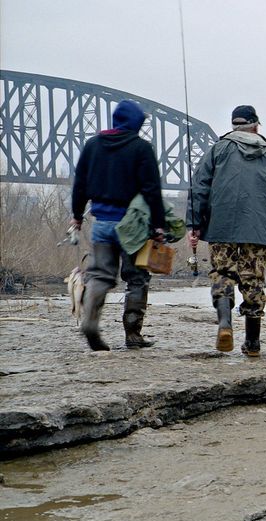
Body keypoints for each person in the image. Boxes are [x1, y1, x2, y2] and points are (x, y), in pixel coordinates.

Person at [188, 105, 266, 357]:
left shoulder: (216, 151)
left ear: (233, 125)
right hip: (258, 231)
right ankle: (253, 343)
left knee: (222, 273)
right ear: (256, 126)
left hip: (221, 227)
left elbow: (199, 189)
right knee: (252, 281)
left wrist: (193, 224)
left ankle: (225, 323)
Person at [69, 99, 166, 351]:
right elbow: (152, 190)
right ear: (135, 122)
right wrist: (158, 226)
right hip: (132, 227)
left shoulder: (93, 145)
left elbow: (80, 184)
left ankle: (90, 322)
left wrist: (77, 216)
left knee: (100, 275)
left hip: (101, 223)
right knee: (136, 278)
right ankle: (133, 334)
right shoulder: (141, 148)